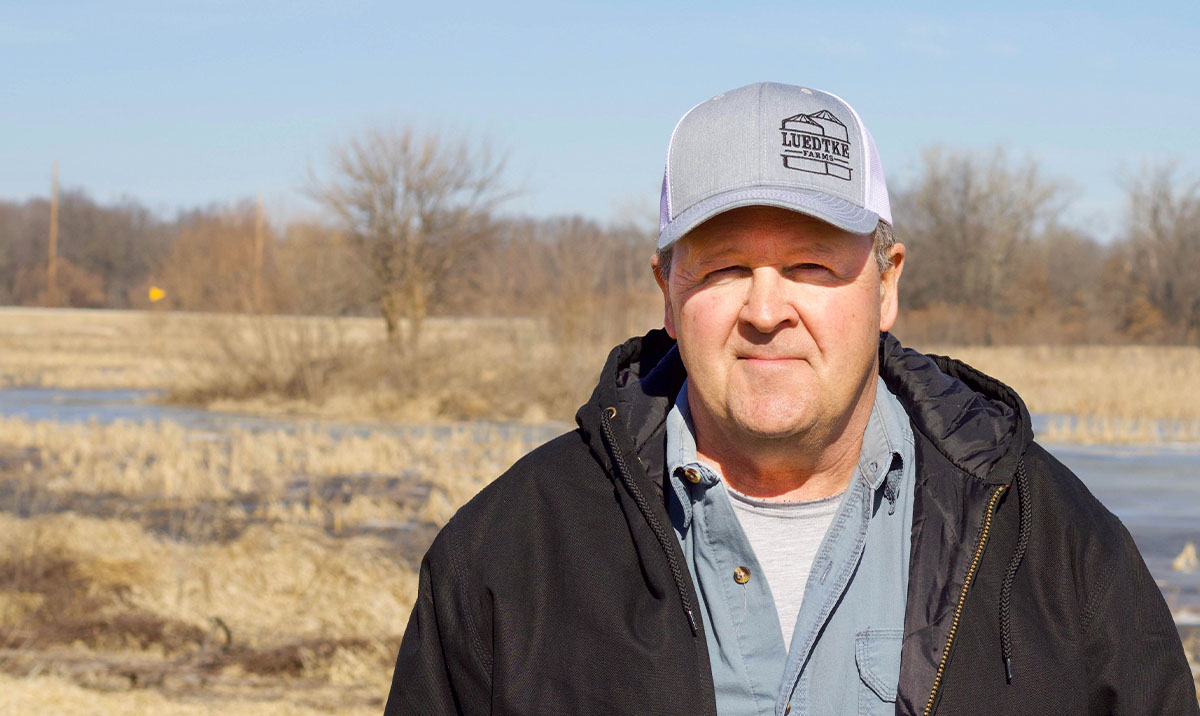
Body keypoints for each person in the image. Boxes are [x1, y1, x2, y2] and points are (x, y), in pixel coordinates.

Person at [384, 82, 1198, 715]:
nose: (766, 311)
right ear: (667, 291)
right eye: (725, 266)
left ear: (886, 285)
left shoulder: (1056, 545)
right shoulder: (507, 553)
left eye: (811, 265)